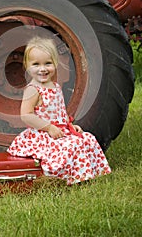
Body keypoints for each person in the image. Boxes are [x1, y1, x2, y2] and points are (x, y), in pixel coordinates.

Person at [7, 36, 111, 185]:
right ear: (27, 66)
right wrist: (49, 128)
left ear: (55, 63)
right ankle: (58, 177)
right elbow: (26, 115)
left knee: (87, 138)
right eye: (36, 64)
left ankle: (86, 174)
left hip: (59, 130)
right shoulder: (33, 89)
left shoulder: (55, 87)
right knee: (71, 145)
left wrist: (69, 125)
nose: (42, 69)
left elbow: (59, 112)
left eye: (47, 63)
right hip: (42, 135)